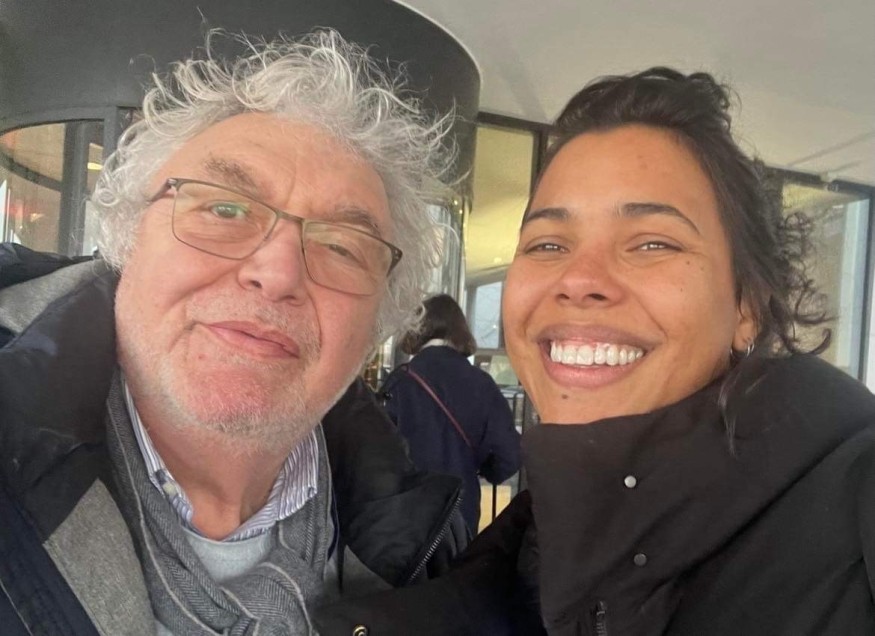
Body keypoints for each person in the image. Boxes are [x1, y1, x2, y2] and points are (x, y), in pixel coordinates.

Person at [0, 29, 482, 636]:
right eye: (224, 209)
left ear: (375, 323)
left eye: (341, 246)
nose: (277, 274)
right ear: (126, 239)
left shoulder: (427, 547)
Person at [497, 67, 875, 635]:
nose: (578, 280)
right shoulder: (518, 553)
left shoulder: (857, 502)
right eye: (548, 244)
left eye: (653, 242)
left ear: (746, 307)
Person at [380, 294, 521, 536]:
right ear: (460, 331)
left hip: (404, 515)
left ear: (418, 330)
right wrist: (480, 468)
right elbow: (509, 456)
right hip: (460, 512)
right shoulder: (482, 384)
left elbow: (378, 453)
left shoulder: (400, 381)